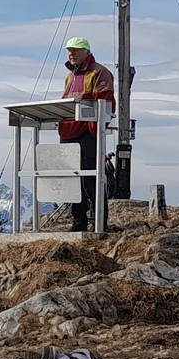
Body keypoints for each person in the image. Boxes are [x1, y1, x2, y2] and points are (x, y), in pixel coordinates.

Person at [57, 36, 116, 232]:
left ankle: (99, 220)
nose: (71, 53)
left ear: (86, 52)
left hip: (88, 133)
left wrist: (96, 127)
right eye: (69, 50)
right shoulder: (69, 77)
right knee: (72, 180)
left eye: (75, 50)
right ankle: (78, 220)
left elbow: (106, 101)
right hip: (68, 131)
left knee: (92, 178)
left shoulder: (99, 72)